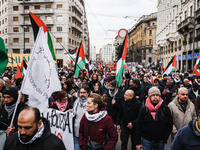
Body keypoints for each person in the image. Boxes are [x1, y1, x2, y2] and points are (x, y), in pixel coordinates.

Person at [71, 84, 90, 150]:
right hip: (76, 132)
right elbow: (74, 114)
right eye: (81, 92)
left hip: (87, 133)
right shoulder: (76, 102)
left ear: (88, 93)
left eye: (84, 92)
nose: (82, 94)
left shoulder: (90, 103)